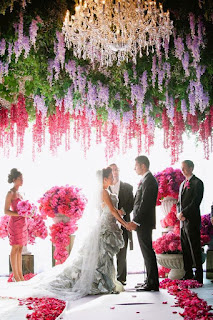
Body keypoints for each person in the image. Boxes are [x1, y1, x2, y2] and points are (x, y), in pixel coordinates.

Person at [128, 155, 159, 292]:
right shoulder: (145, 179)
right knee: (146, 252)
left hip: (144, 223)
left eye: (136, 165)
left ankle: (152, 283)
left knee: (148, 252)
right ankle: (149, 280)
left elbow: (146, 204)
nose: (134, 168)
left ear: (143, 166)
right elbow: (137, 202)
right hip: (143, 223)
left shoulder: (149, 180)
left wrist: (136, 221)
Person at [177, 160, 204, 284]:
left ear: (191, 168)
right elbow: (179, 202)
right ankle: (188, 273)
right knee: (185, 248)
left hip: (192, 220)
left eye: (185, 168)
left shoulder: (198, 183)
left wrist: (184, 213)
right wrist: (179, 214)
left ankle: (198, 276)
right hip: (182, 222)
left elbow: (195, 202)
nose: (183, 171)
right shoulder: (182, 183)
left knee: (195, 248)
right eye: (182, 168)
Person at [109, 163, 134, 285]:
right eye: (112, 170)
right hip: (108, 224)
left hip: (124, 223)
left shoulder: (128, 187)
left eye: (116, 169)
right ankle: (108, 277)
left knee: (122, 251)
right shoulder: (104, 188)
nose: (115, 172)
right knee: (107, 251)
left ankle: (121, 278)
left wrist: (122, 211)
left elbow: (132, 204)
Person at [4, 168, 27, 282]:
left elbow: (25, 208)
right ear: (14, 180)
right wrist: (20, 213)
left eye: (22, 178)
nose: (22, 180)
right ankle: (16, 276)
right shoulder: (11, 193)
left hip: (23, 223)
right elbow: (6, 211)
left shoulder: (21, 193)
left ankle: (20, 276)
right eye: (20, 179)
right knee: (15, 247)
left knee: (20, 248)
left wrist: (28, 213)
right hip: (14, 223)